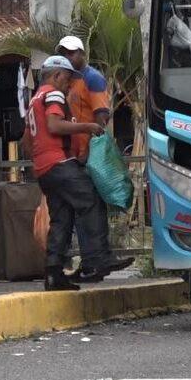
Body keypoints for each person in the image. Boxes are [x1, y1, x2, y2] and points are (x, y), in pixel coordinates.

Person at [28, 56, 130, 291]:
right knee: (91, 199)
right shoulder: (53, 94)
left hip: (44, 168)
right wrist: (87, 126)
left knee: (62, 218)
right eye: (67, 79)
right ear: (56, 76)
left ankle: (53, 273)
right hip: (60, 162)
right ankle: (96, 259)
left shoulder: (35, 98)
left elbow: (27, 139)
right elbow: (54, 126)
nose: (69, 84)